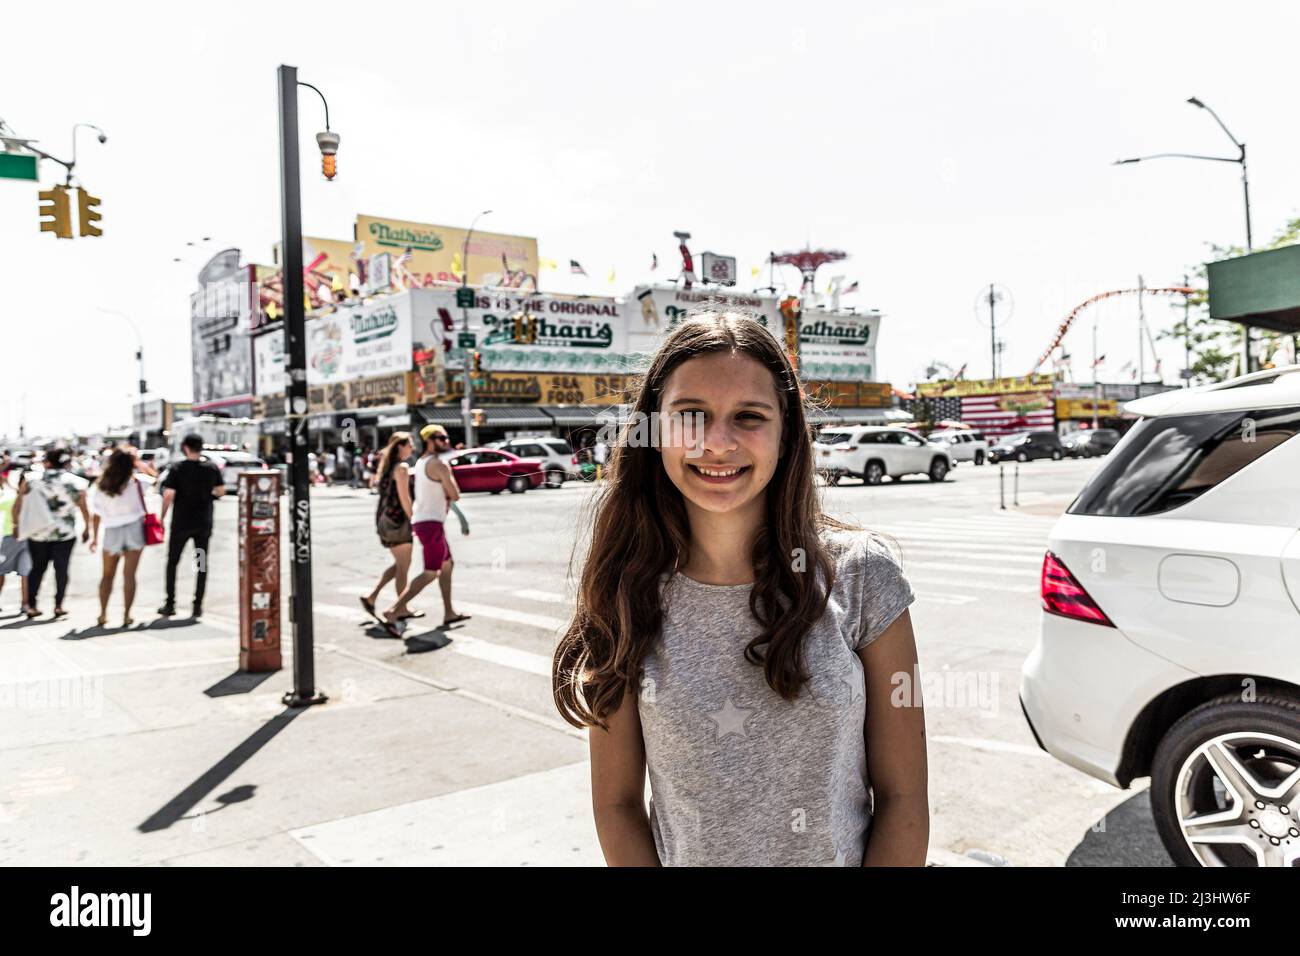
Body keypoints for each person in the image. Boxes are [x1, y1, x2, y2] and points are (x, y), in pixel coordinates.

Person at [551, 312, 928, 867]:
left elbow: (904, 799)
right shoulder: (624, 590)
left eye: (748, 416)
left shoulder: (867, 577)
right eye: (690, 416)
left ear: (786, 433)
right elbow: (616, 805)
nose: (717, 443)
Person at [381, 424, 469, 636]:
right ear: (430, 440)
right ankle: (393, 611)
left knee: (447, 565)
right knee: (431, 573)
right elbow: (455, 495)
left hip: (427, 522)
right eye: (441, 438)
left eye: (446, 437)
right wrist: (449, 477)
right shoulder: (439, 464)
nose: (445, 441)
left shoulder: (421, 462)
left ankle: (449, 612)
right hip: (431, 524)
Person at [158, 433, 224, 619]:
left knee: (173, 562)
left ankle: (170, 604)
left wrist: (162, 517)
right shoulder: (211, 468)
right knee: (201, 563)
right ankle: (197, 605)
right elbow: (220, 491)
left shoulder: (177, 468)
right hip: (202, 525)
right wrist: (208, 495)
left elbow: (169, 495)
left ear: (185, 447)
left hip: (181, 525)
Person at [20, 448, 91, 620]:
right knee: (62, 569)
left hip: (37, 532)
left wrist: (17, 525)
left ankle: (31, 606)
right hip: (64, 534)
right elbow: (84, 507)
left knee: (36, 569)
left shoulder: (31, 480)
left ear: (48, 462)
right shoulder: (77, 482)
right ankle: (58, 605)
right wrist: (88, 528)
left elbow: (19, 504)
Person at [361, 432, 417, 626]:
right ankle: (400, 608)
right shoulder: (401, 468)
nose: (412, 448)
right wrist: (414, 520)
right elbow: (405, 498)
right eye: (409, 444)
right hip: (397, 521)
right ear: (400, 446)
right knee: (403, 566)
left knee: (399, 564)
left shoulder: (386, 467)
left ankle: (371, 597)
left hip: (385, 519)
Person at [89, 447, 148, 628]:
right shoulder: (139, 483)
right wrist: (140, 465)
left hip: (112, 530)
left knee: (107, 576)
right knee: (129, 575)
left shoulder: (101, 486)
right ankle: (127, 615)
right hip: (134, 529)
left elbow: (97, 514)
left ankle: (103, 614)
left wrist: (95, 538)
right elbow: (157, 477)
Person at [0, 471, 32, 615]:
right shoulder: (32, 499)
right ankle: (25, 604)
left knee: (3, 571)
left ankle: (26, 603)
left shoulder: (11, 497)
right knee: (25, 572)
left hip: (11, 538)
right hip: (24, 538)